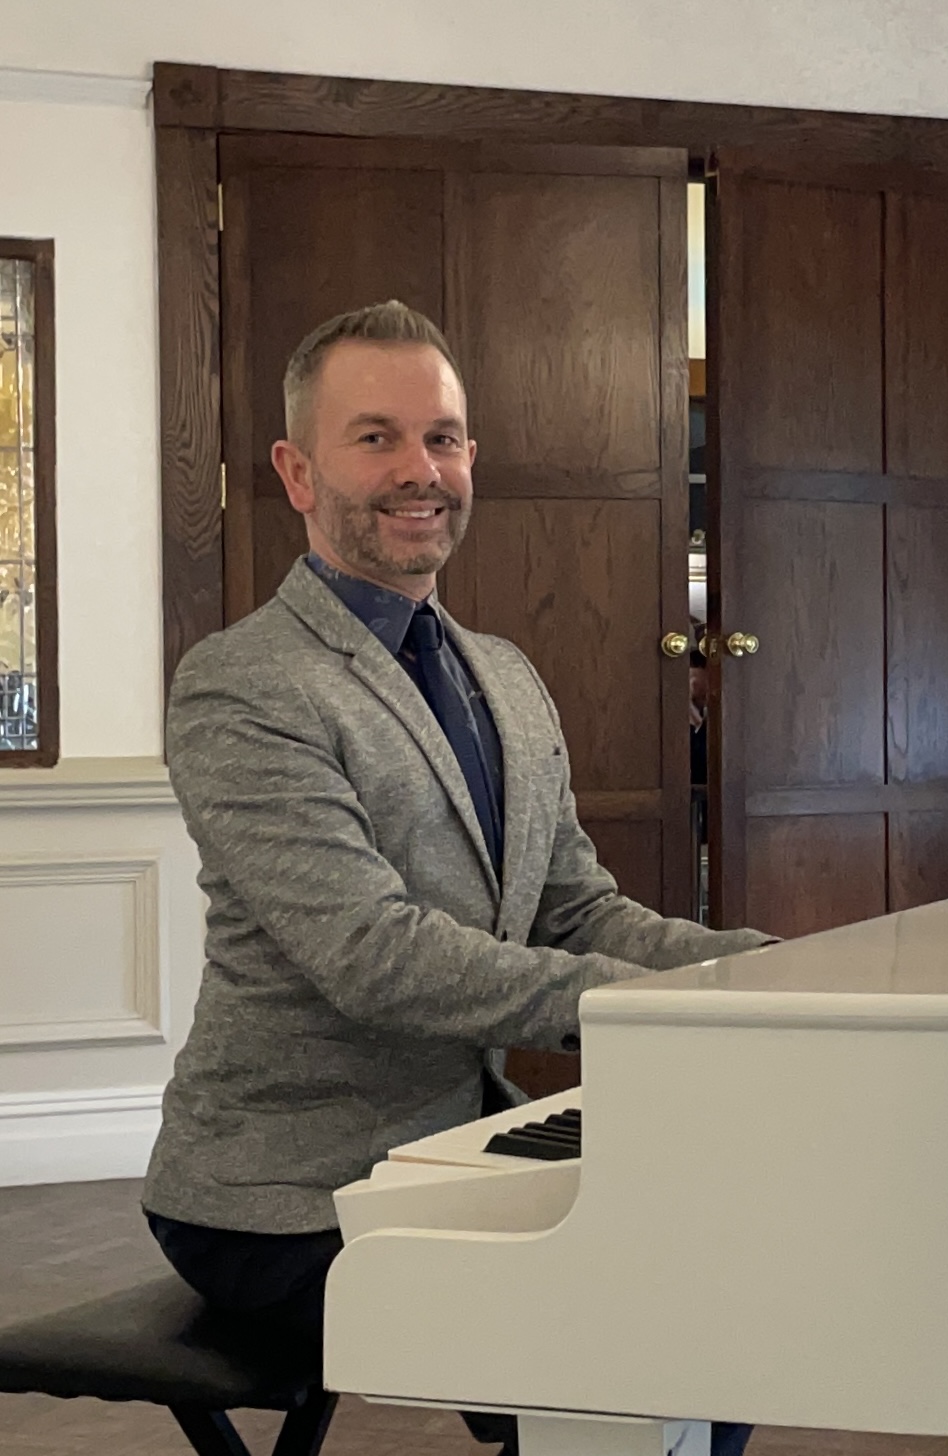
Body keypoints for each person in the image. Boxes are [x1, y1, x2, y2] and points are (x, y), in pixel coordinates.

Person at [142, 301, 769, 1455]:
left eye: (444, 437)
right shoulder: (242, 686)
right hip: (284, 1194)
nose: (419, 469)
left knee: (728, 1268)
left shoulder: (507, 676)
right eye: (374, 436)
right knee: (631, 1320)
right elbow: (373, 954)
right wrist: (663, 1008)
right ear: (296, 470)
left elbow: (576, 903)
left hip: (464, 1144)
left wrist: (770, 969)